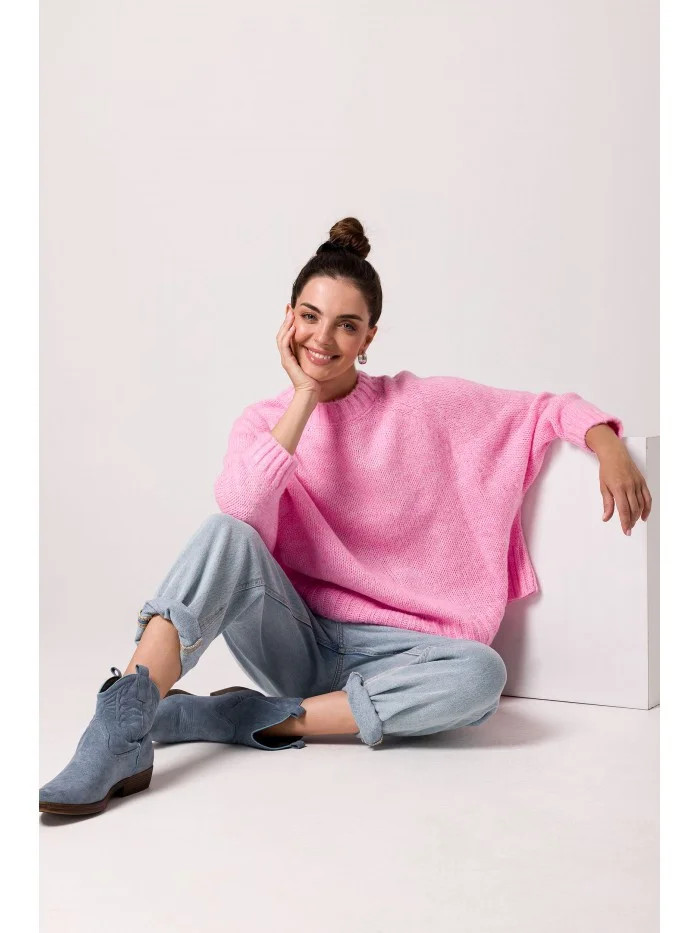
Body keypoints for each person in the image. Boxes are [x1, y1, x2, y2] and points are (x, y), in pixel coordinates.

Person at [39, 217, 653, 816]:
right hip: (296, 638)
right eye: (310, 317)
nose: (323, 338)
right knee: (224, 532)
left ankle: (247, 717)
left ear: (368, 338)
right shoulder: (264, 424)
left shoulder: (418, 403)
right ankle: (117, 729)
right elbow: (244, 512)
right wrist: (305, 396)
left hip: (400, 653)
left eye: (346, 325)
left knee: (480, 676)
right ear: (288, 318)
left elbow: (542, 410)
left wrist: (606, 443)